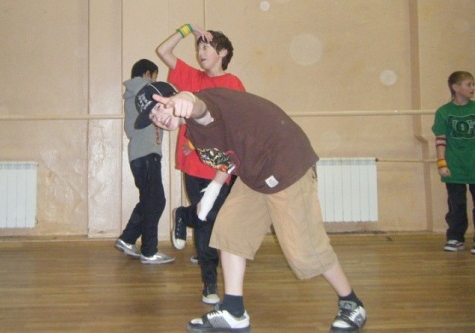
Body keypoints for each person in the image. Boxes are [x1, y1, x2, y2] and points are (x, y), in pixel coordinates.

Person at [134, 82, 367, 332]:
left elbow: (202, 110)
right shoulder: (193, 133)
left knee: (305, 249)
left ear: (172, 96)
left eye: (159, 107)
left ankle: (351, 303)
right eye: (152, 117)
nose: (158, 117)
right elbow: (228, 159)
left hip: (285, 163)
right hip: (255, 172)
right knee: (230, 229)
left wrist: (187, 99)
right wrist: (213, 190)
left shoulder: (202, 104)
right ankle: (234, 311)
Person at [156, 24, 245, 304]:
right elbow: (163, 51)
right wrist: (187, 30)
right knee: (206, 221)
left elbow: (237, 124)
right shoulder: (191, 76)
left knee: (216, 218)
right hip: (194, 164)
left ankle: (184, 215)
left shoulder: (233, 83)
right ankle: (210, 283)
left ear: (223, 53)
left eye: (207, 47)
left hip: (223, 167)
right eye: (199, 47)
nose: (201, 52)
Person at [114, 59, 174, 264]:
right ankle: (149, 251)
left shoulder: (135, 94)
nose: (155, 81)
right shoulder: (146, 90)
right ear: (148, 74)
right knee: (155, 201)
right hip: (146, 153)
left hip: (141, 154)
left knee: (151, 200)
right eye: (155, 76)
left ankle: (128, 238)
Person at [432, 70, 475, 254]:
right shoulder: (444, 112)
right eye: (468, 84)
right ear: (455, 87)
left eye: (473, 84)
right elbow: (440, 139)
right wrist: (442, 163)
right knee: (456, 205)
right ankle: (456, 238)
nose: (472, 88)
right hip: (454, 166)